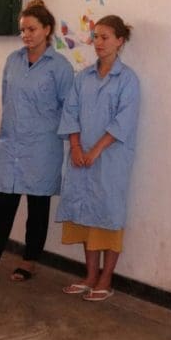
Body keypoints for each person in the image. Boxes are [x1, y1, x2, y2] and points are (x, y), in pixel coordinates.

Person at [0, 0, 73, 288]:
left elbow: (68, 108)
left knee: (38, 207)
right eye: (23, 30)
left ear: (47, 30)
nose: (26, 35)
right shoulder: (13, 61)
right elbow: (7, 98)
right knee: (3, 206)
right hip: (11, 144)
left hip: (42, 147)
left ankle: (30, 260)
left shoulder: (59, 66)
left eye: (32, 29)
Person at [55, 15, 141, 301]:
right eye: (96, 37)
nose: (99, 43)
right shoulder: (83, 78)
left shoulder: (128, 80)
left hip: (110, 160)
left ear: (120, 40)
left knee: (108, 216)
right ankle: (90, 275)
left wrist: (96, 150)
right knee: (85, 216)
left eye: (105, 37)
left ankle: (106, 278)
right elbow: (71, 113)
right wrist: (77, 147)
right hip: (81, 159)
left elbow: (123, 122)